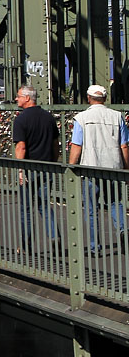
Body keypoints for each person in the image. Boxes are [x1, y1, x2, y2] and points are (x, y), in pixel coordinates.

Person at [68, 84, 129, 248]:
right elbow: (124, 145)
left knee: (91, 209)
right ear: (105, 99)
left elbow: (77, 145)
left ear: (88, 98)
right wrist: (125, 167)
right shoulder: (117, 116)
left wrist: (70, 166)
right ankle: (123, 230)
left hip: (90, 168)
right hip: (113, 168)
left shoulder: (81, 118)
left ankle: (95, 245)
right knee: (116, 202)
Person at [12, 86, 58, 249]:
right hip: (46, 168)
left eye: (18, 96)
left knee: (26, 208)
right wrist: (53, 162)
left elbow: (21, 147)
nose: (16, 99)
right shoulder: (48, 117)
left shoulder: (21, 120)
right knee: (44, 205)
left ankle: (26, 244)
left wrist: (20, 169)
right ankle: (54, 236)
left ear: (27, 98)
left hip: (29, 169)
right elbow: (55, 144)